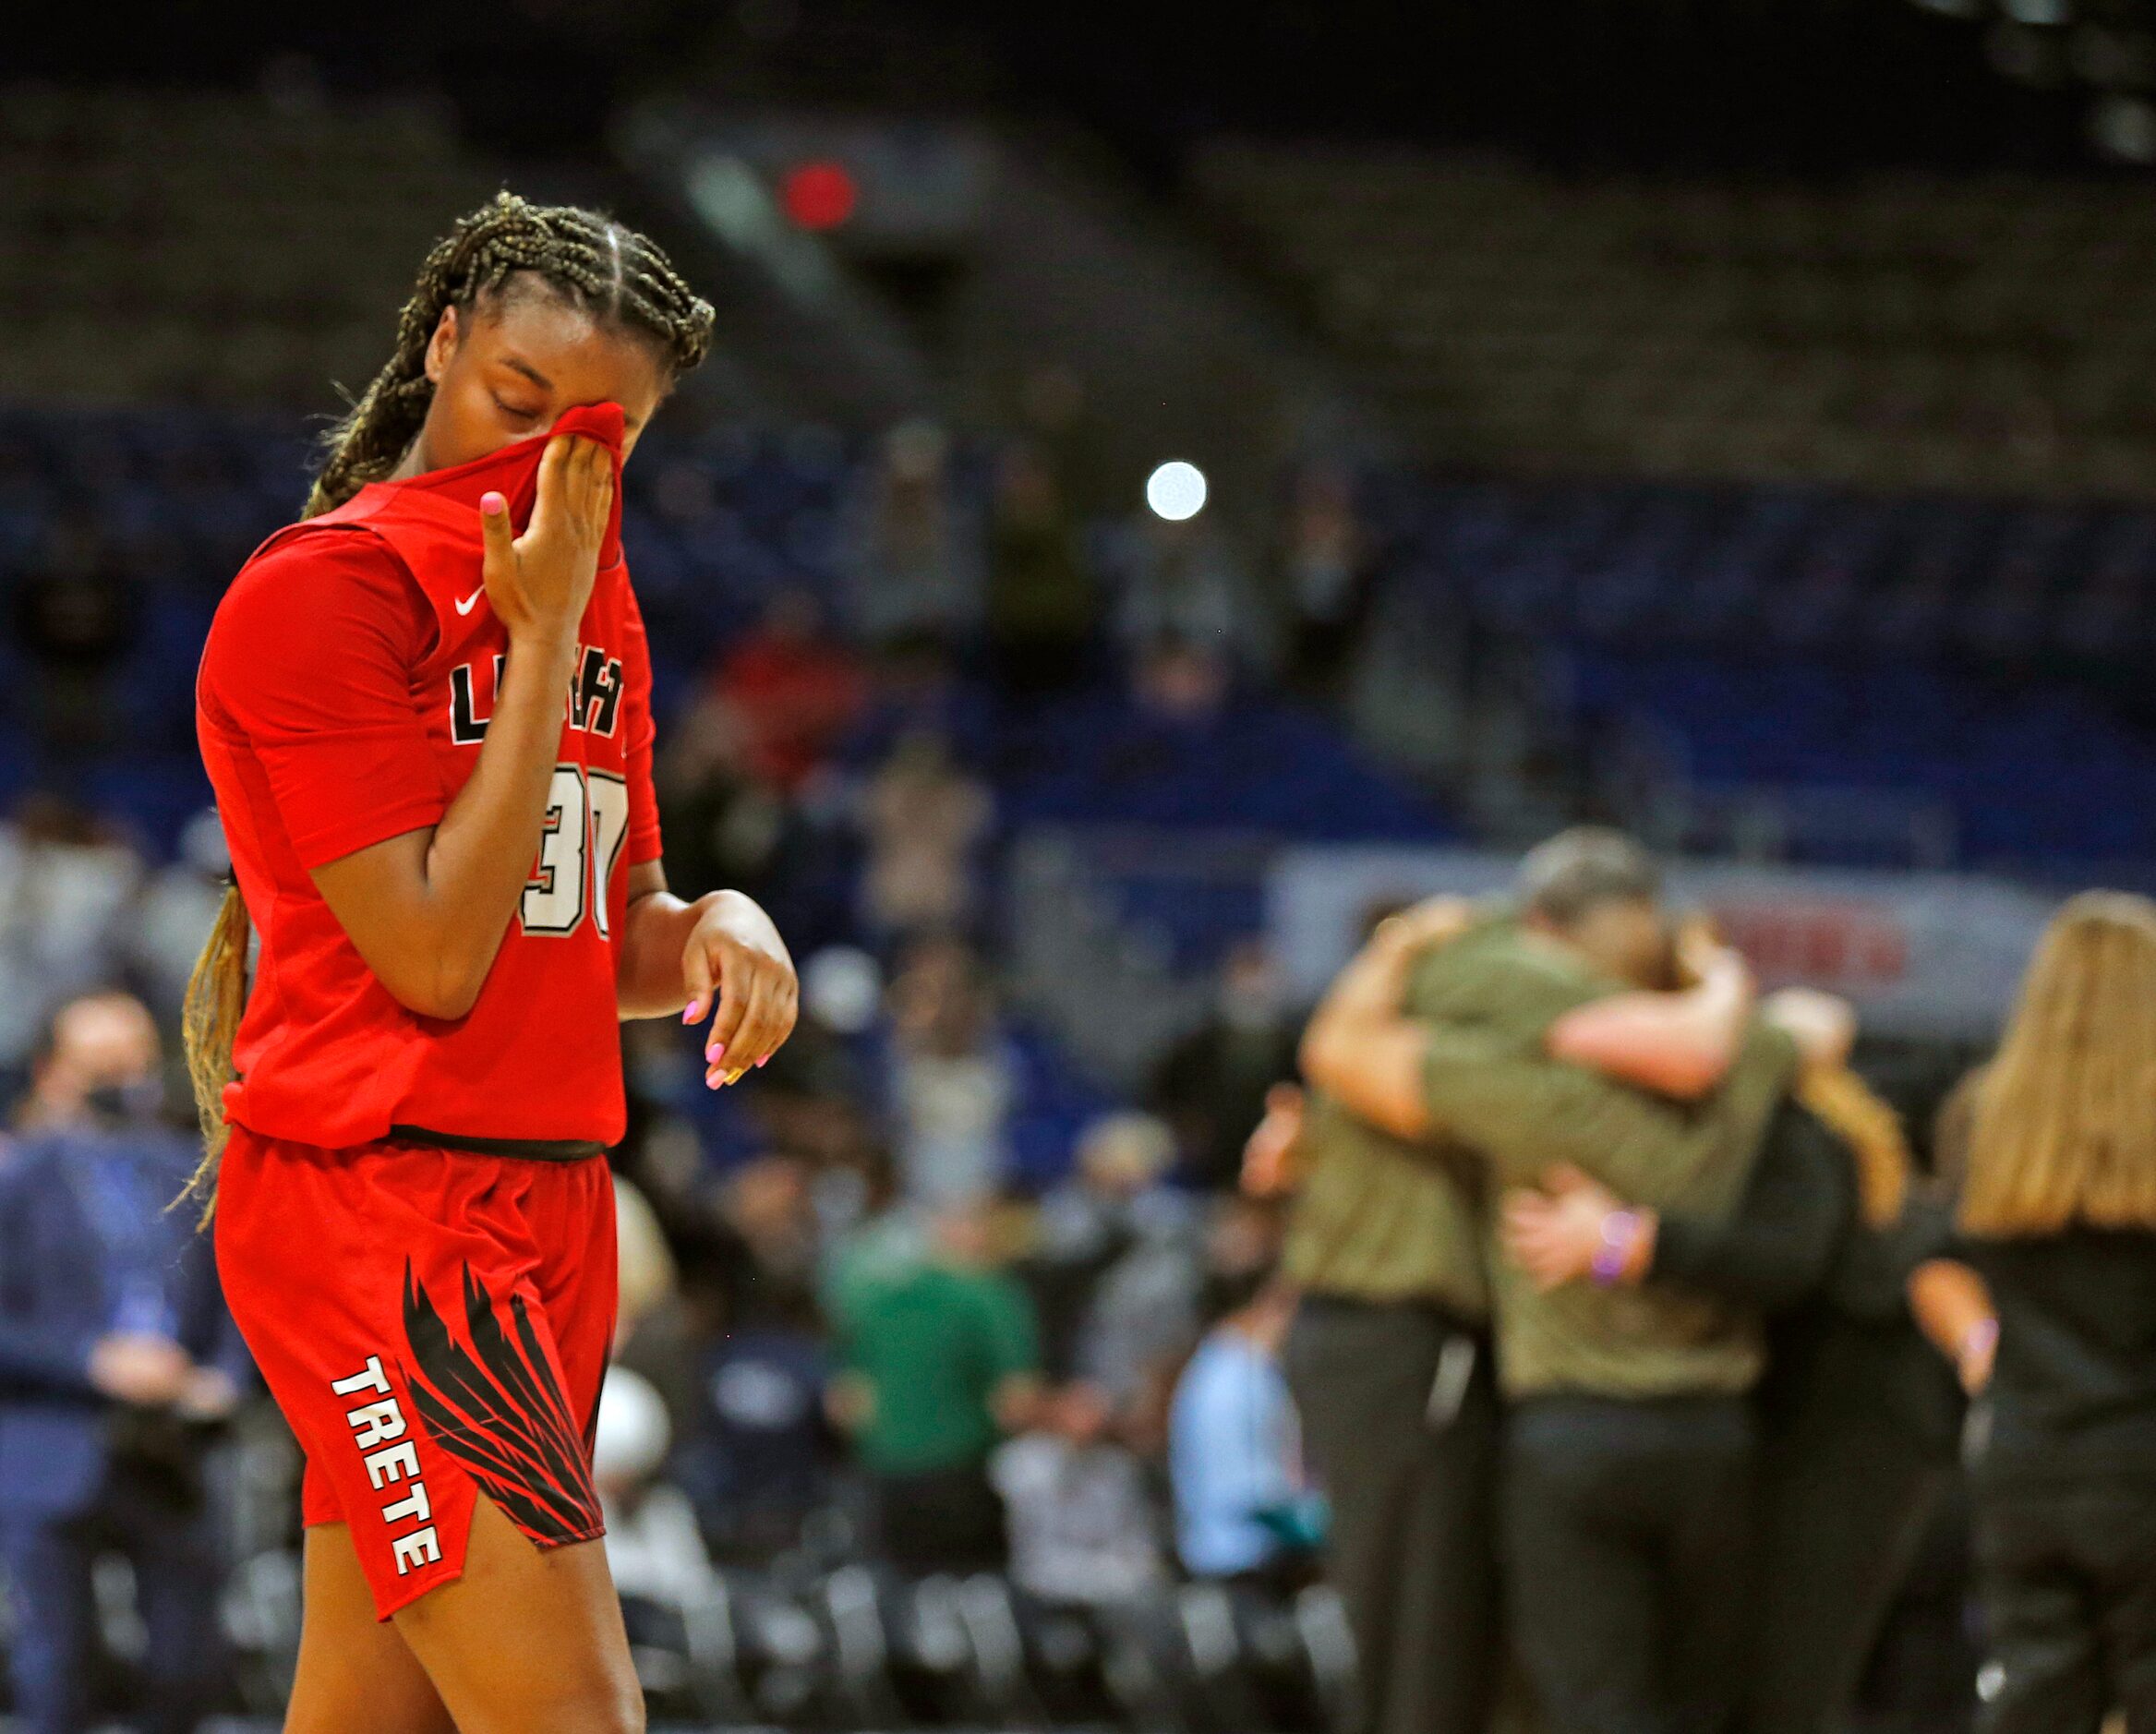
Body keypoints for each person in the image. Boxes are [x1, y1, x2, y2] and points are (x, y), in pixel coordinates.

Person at [187, 194, 800, 1734]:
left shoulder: (589, 598)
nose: (550, 461)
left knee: (370, 1711)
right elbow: (439, 955)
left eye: (605, 436)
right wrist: (533, 645)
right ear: (442, 343)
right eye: (518, 402)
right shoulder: (322, 591)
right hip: (383, 1206)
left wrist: (719, 924)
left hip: (552, 1196)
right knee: (574, 1715)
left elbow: (598, 931)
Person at [1302, 828, 1797, 1734]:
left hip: (1553, 1416)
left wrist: (1394, 950)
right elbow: (1744, 1049)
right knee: (1675, 1702)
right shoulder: (1748, 1053)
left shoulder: (1523, 1072)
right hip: (1696, 1427)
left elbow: (1339, 1048)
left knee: (1534, 1686)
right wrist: (1722, 977)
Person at [1503, 985, 1962, 1734]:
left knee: (1785, 1691)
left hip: (1833, 1455)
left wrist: (1635, 1243)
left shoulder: (1790, 1130)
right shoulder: (1828, 1132)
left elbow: (1787, 1260)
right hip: (1860, 1449)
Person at [1910, 893, 2156, 1734]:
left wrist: (1979, 1346)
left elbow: (1926, 1258)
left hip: (2024, 1461)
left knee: (2033, 1694)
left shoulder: (1988, 1116)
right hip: (2142, 1464)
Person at [0, 993, 250, 1734]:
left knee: (187, 1668)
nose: (122, 1081)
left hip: (176, 1449)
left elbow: (244, 1289)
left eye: (133, 1062)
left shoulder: (191, 1169)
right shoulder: (18, 1178)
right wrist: (89, 1360)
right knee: (56, 1672)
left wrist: (225, 1380)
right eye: (100, 1065)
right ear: (53, 1073)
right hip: (53, 1444)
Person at [826, 1198, 1042, 1576]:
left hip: (886, 1479)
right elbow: (1015, 1403)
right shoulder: (988, 1297)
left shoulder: (878, 1300)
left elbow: (847, 1404)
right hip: (963, 1477)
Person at [1167, 1273, 1321, 1585]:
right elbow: (1247, 1496)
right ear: (1276, 1302)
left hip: (1263, 1543)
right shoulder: (1231, 1379)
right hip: (1241, 1556)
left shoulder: (1244, 1367)